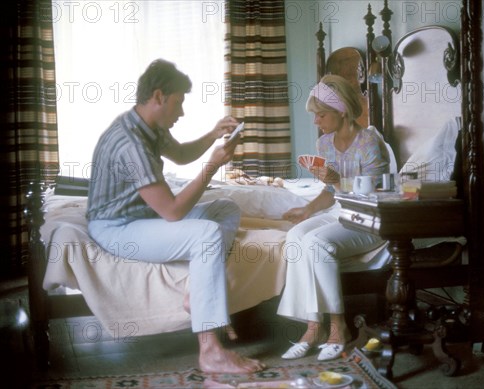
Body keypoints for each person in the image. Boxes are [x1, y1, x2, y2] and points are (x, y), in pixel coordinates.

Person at [86, 59, 265, 373]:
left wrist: (213, 135)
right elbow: (172, 211)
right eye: (179, 102)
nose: (181, 112)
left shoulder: (147, 125)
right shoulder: (131, 144)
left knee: (225, 208)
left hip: (139, 215)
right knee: (207, 234)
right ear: (158, 96)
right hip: (116, 226)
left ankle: (197, 290)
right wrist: (211, 167)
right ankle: (210, 350)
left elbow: (181, 155)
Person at [277, 74, 390, 361]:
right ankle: (313, 326)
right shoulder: (324, 144)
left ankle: (338, 327)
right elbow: (330, 192)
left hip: (370, 216)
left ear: (341, 111)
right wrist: (307, 210)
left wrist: (339, 181)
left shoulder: (369, 142)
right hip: (340, 210)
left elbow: (370, 195)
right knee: (295, 235)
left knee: (316, 243)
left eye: (321, 115)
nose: (316, 122)